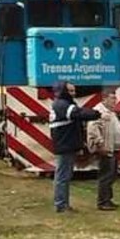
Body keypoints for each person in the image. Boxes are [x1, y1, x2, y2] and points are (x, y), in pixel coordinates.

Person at [50, 81, 101, 213]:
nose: (74, 93)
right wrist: (97, 113)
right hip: (64, 145)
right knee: (62, 176)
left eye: (74, 90)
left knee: (64, 175)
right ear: (63, 91)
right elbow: (79, 113)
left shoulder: (63, 103)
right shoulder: (62, 105)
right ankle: (61, 204)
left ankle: (62, 204)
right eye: (71, 91)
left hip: (66, 144)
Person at [86, 90, 120, 211]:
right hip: (106, 148)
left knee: (112, 175)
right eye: (112, 98)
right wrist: (100, 143)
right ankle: (103, 202)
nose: (115, 101)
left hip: (113, 148)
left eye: (115, 98)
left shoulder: (110, 112)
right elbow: (93, 129)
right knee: (106, 175)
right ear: (104, 99)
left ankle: (108, 199)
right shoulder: (99, 112)